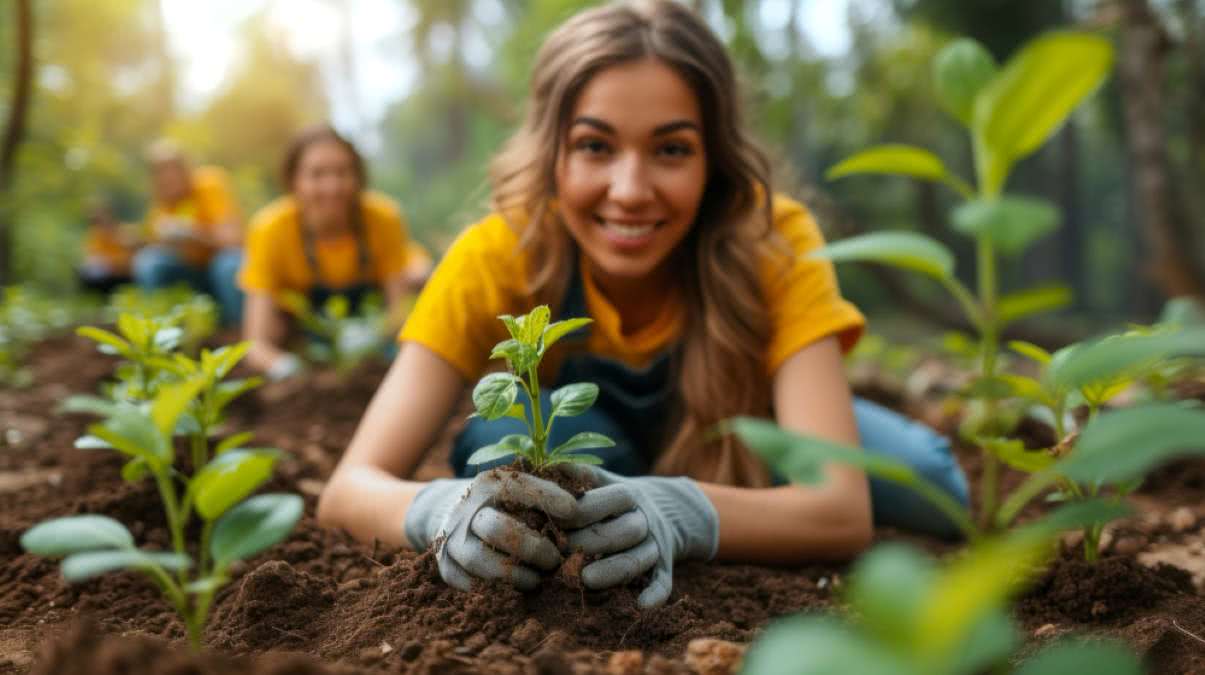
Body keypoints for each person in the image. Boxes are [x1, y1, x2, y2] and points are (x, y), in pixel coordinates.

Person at [317, 0, 969, 609]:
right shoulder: (497, 253)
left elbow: (839, 511)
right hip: (595, 441)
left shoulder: (771, 240)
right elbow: (349, 487)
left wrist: (684, 509)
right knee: (501, 434)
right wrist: (438, 509)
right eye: (595, 145)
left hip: (742, 425)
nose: (629, 191)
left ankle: (746, 453)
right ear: (553, 154)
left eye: (671, 149)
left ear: (713, 162)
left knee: (928, 485)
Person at [238, 125, 433, 380]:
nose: (333, 186)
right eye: (317, 174)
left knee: (424, 279)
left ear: (358, 176)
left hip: (371, 321)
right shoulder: (270, 229)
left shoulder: (383, 218)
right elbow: (256, 343)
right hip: (304, 330)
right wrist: (287, 368)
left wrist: (378, 347)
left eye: (343, 172)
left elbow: (399, 314)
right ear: (294, 180)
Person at [133, 140, 244, 325]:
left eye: (172, 171)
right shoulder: (160, 208)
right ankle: (163, 330)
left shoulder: (210, 185)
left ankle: (239, 329)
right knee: (149, 261)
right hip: (193, 275)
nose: (168, 179)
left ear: (186, 170)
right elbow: (154, 245)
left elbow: (233, 240)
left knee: (227, 264)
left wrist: (191, 232)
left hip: (223, 270)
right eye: (160, 174)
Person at [77, 201, 138, 294]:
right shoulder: (95, 237)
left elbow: (131, 260)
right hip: (105, 274)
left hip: (124, 274)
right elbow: (91, 259)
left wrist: (113, 263)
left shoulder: (124, 233)